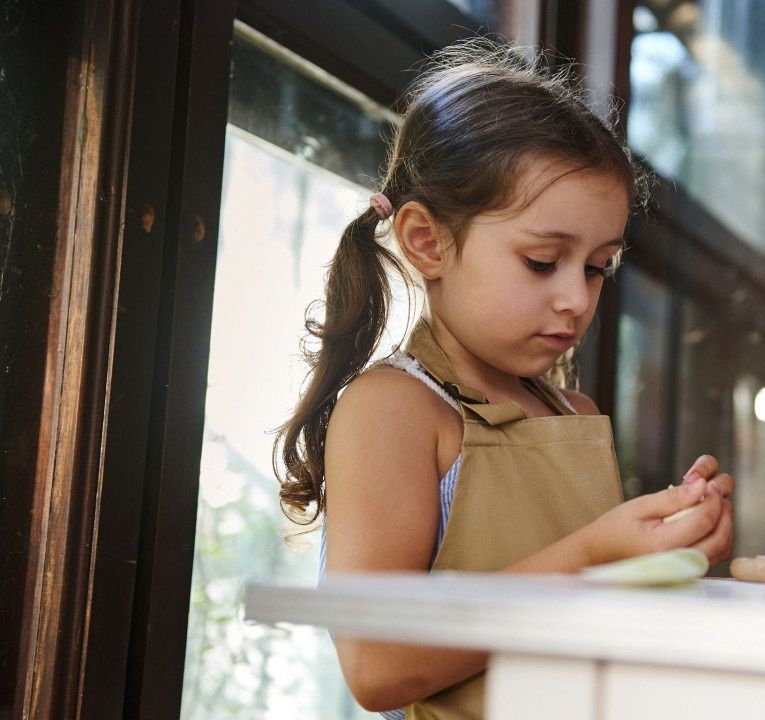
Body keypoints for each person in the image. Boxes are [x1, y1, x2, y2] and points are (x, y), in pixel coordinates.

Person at [274, 38, 735, 720]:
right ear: (426, 241)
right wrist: (594, 556)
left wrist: (670, 550)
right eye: (542, 262)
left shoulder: (575, 412)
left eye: (597, 267)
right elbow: (377, 666)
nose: (576, 299)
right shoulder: (394, 409)